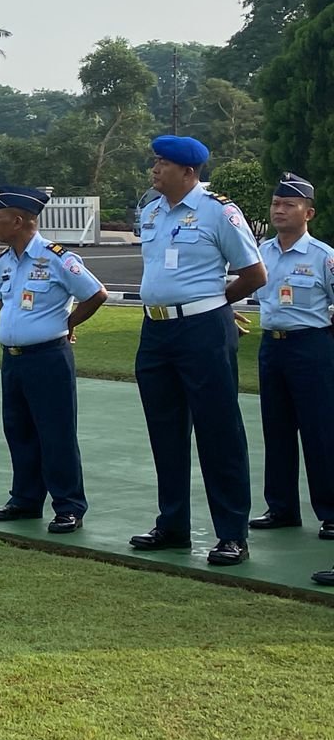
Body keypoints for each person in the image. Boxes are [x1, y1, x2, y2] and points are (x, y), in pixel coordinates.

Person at [130, 134, 266, 567]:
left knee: (218, 431)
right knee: (165, 431)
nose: (155, 169)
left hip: (202, 330)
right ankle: (172, 524)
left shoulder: (218, 212)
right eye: (155, 162)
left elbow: (254, 274)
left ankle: (231, 534)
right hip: (156, 330)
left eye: (163, 163)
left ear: (188, 171)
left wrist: (215, 305)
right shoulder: (151, 210)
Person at [0, 186, 108, 534]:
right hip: (14, 359)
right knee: (19, 430)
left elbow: (95, 293)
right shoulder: (5, 261)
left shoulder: (56, 258)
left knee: (56, 433)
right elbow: (3, 301)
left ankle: (68, 505)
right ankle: (25, 499)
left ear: (18, 221)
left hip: (48, 357)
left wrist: (68, 323)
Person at [250, 175, 334, 561]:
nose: (279, 210)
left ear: (308, 213)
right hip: (272, 346)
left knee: (320, 431)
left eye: (289, 205)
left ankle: (330, 512)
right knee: (277, 429)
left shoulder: (323, 256)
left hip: (311, 347)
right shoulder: (261, 252)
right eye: (276, 204)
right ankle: (281, 508)